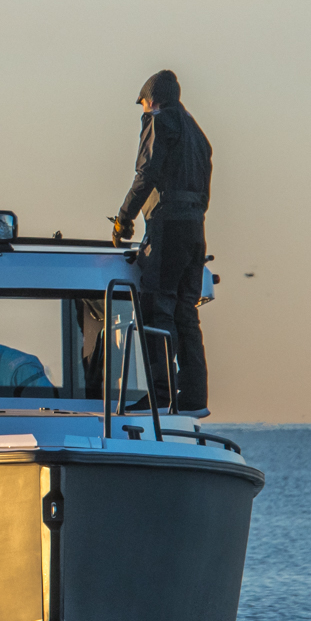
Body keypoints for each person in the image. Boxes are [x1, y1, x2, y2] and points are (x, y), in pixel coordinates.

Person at [112, 68, 212, 413]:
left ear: (151, 100)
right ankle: (195, 398)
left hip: (167, 225)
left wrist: (124, 218)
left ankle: (159, 395)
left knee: (158, 306)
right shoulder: (196, 132)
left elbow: (147, 172)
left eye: (142, 104)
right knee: (186, 312)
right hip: (196, 228)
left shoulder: (160, 120)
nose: (142, 111)